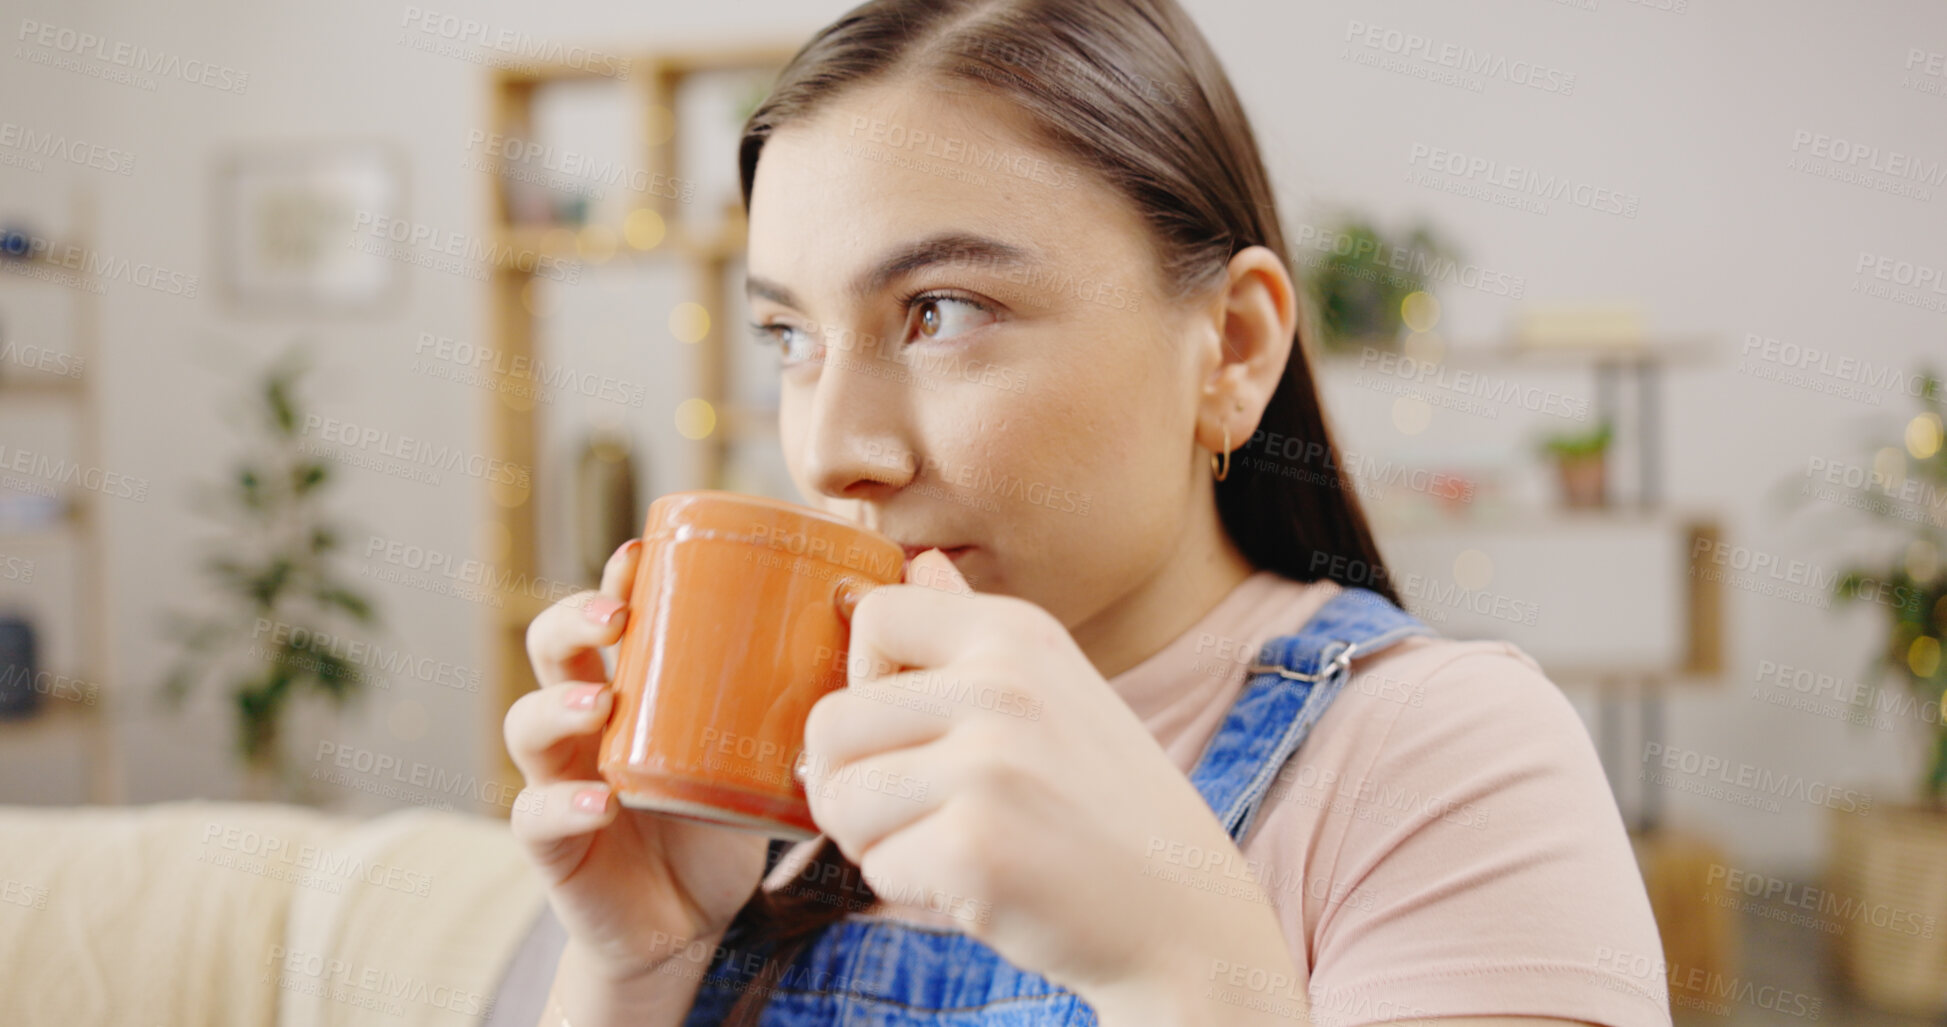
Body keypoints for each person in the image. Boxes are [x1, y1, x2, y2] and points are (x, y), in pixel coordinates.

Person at [505, 0, 1672, 1024]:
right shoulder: (796, 776)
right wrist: (637, 965)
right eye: (790, 337)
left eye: (941, 311)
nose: (828, 451)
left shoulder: (1438, 760)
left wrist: (1183, 967)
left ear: (1234, 346)